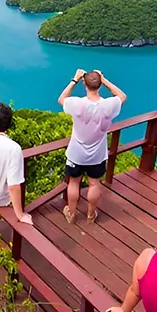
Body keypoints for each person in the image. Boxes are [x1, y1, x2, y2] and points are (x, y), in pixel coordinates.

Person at [57, 69, 126, 225]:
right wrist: (104, 79)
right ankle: (90, 215)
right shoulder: (108, 105)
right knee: (94, 183)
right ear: (100, 84)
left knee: (74, 183)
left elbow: (61, 99)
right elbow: (122, 96)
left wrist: (74, 79)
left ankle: (72, 214)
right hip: (97, 155)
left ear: (84, 84)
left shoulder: (78, 104)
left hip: (76, 154)